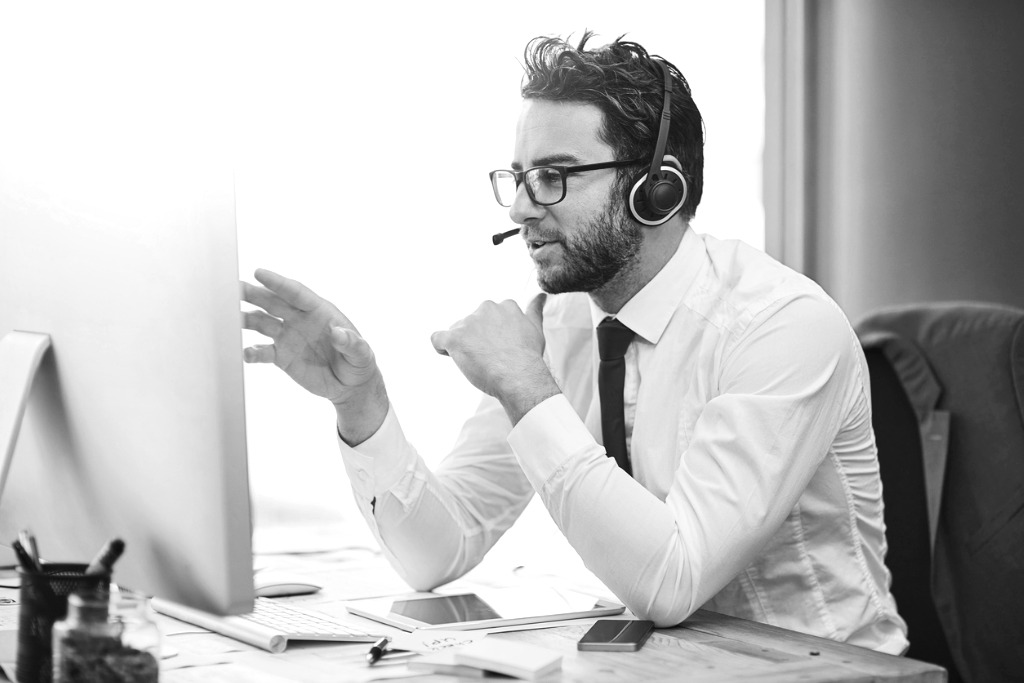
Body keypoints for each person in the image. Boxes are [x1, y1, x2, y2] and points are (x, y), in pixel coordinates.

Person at [241, 32, 909, 654]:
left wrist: (526, 386)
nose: (521, 208)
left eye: (555, 175)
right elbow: (434, 553)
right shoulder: (564, 325)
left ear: (658, 189)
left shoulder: (782, 325)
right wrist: (362, 405)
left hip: (824, 667)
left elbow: (672, 581)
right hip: (665, 666)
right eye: (519, 176)